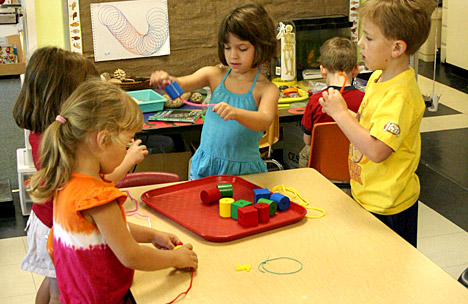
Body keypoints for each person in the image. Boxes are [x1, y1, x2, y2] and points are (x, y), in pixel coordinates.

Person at [28, 80, 198, 304]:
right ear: (102, 140)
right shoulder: (97, 197)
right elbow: (131, 255)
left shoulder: (65, 181)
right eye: (126, 143)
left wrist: (153, 235)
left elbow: (109, 230)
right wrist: (175, 258)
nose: (127, 150)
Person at [12, 47, 148, 304]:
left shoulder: (52, 132)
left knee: (54, 283)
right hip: (55, 227)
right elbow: (95, 185)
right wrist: (127, 161)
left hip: (52, 224)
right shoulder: (63, 141)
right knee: (59, 290)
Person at [318, 0, 437, 247]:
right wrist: (341, 111)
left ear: (396, 48)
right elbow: (368, 127)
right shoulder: (377, 78)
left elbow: (376, 150)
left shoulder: (401, 96)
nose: (359, 43)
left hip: (389, 206)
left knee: (389, 274)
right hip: (367, 195)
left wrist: (341, 115)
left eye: (369, 38)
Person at [150, 4, 279, 179]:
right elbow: (180, 85)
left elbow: (264, 121)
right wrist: (166, 81)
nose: (233, 55)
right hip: (206, 166)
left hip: (244, 171)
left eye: (242, 49)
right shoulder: (214, 74)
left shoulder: (267, 89)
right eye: (227, 47)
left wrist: (236, 113)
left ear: (262, 47)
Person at [298, 37, 364, 168]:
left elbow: (308, 140)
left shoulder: (316, 100)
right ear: (356, 69)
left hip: (321, 170)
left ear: (322, 70)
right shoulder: (365, 99)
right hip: (354, 167)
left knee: (305, 152)